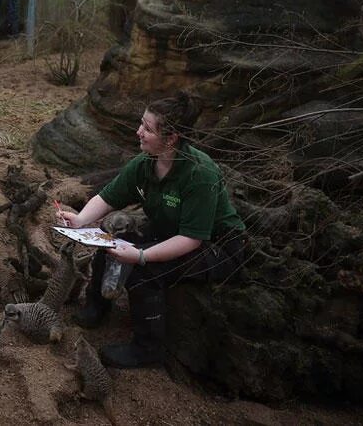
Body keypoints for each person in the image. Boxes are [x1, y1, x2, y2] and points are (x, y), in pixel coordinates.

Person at [56, 92, 247, 368]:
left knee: (144, 271)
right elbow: (108, 197)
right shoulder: (145, 164)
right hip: (171, 233)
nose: (139, 132)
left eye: (147, 128)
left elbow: (192, 239)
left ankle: (148, 348)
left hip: (218, 247)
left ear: (170, 140)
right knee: (109, 242)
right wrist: (81, 220)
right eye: (141, 124)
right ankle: (96, 307)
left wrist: (141, 256)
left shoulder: (199, 174)